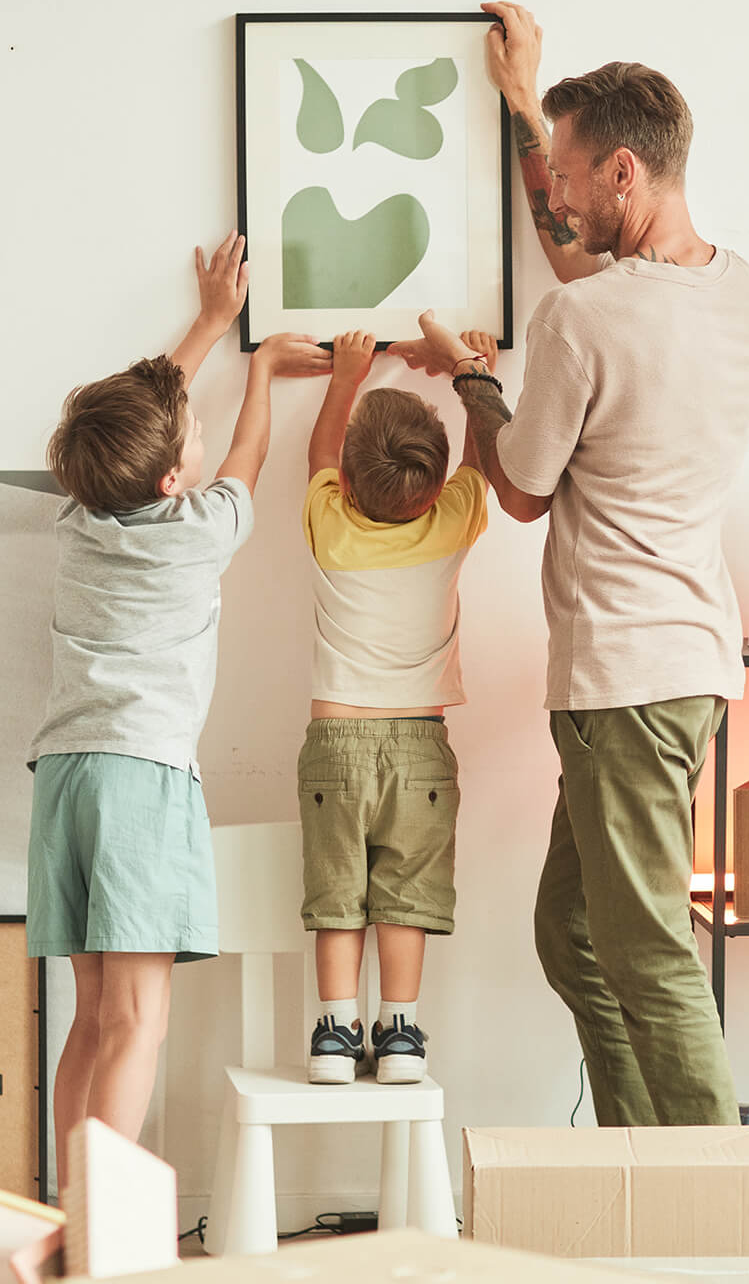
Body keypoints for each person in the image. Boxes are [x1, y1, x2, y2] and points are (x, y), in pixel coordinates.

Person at [401, 9, 749, 1126]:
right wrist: (524, 109)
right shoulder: (744, 294)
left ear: (625, 169)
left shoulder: (582, 320)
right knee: (572, 931)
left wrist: (472, 378)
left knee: (649, 950)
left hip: (622, 676)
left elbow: (519, 488)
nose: (556, 199)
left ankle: (717, 1219)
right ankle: (636, 1165)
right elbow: (593, 287)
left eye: (569, 176)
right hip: (689, 664)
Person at [26, 233, 329, 1174]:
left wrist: (209, 324)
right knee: (139, 1023)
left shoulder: (76, 521)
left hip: (64, 781)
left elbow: (157, 416)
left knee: (90, 1020)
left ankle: (68, 1212)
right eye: (183, 435)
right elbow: (247, 451)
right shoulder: (200, 531)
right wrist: (265, 374)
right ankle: (101, 1237)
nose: (198, 431)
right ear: (169, 481)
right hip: (140, 779)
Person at [296, 323, 498, 1084]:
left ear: (348, 485)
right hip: (420, 745)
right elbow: (480, 464)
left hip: (335, 741)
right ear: (436, 485)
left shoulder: (329, 524)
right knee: (405, 895)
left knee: (337, 893)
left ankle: (335, 1034)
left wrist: (345, 378)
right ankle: (403, 1035)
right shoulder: (453, 522)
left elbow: (319, 455)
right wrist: (473, 372)